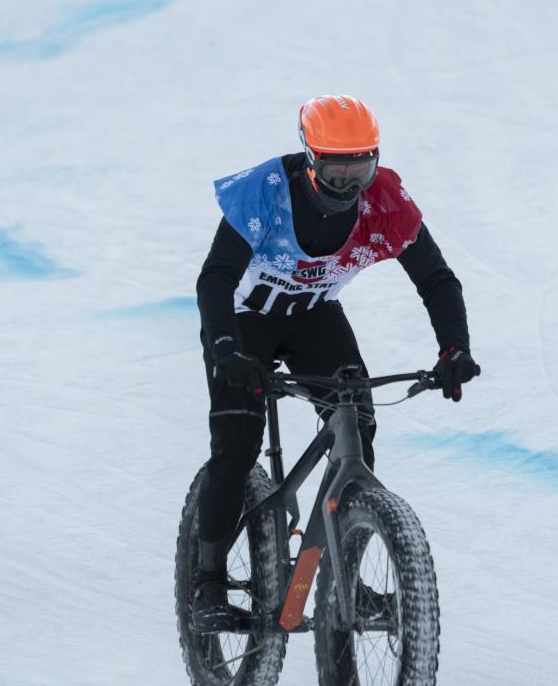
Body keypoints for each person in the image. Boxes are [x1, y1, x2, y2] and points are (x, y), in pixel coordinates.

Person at [191, 95, 481, 631]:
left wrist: (453, 350)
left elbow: (437, 280)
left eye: (360, 167)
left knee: (357, 425)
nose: (349, 183)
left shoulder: (385, 199)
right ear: (309, 159)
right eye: (335, 168)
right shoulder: (266, 191)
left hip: (312, 316)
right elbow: (215, 278)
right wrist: (226, 348)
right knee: (235, 446)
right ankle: (207, 584)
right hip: (244, 320)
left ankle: (344, 577)